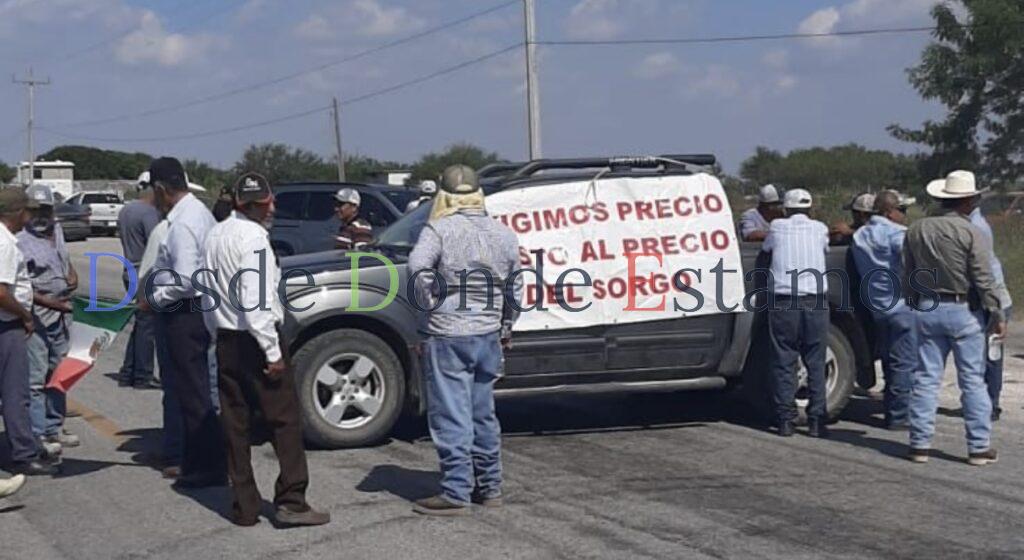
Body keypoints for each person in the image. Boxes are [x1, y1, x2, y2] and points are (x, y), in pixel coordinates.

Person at [202, 173, 330, 527]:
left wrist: (216, 333)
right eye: (265, 202)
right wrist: (272, 352)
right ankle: (291, 499)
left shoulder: (215, 234)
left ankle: (244, 505)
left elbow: (207, 292)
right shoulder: (255, 238)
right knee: (284, 421)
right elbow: (255, 300)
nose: (272, 206)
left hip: (228, 337)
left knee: (235, 424)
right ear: (251, 205)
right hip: (255, 338)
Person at [407, 165, 523, 516]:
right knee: (483, 412)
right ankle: (490, 487)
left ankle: (456, 491)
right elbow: (515, 286)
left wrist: (428, 306)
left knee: (451, 413)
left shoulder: (438, 229)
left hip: (448, 333)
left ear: (443, 194)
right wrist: (506, 326)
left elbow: (416, 267)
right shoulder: (503, 233)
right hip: (487, 334)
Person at [902, 170, 1006, 466]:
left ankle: (919, 443)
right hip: (962, 309)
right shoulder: (972, 231)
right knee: (972, 380)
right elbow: (984, 278)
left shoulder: (917, 229)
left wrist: (912, 302)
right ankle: (978, 446)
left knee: (925, 378)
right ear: (969, 200)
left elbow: (907, 273)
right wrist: (996, 311)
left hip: (927, 306)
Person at [143, 157, 226, 487]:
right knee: (194, 389)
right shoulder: (199, 213)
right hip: (196, 310)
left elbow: (186, 279)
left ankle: (207, 466)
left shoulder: (183, 223)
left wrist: (154, 300)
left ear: (162, 189)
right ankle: (201, 460)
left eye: (155, 191)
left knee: (191, 392)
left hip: (185, 313)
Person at [763, 188, 831, 438]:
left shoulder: (777, 227)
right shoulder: (820, 228)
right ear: (810, 209)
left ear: (785, 209)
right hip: (815, 300)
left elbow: (767, 249)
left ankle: (785, 420)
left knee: (784, 359)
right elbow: (824, 249)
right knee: (815, 360)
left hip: (784, 300)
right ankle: (816, 420)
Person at [18, 185, 80, 457]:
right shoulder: (18, 240)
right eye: (36, 210)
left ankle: (55, 426)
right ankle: (38, 432)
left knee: (60, 373)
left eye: (46, 209)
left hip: (61, 316)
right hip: (36, 317)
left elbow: (63, 261)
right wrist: (50, 302)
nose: (42, 215)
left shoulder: (56, 231)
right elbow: (21, 286)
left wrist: (72, 274)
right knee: (35, 379)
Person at [0, 188, 58, 476]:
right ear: (18, 213)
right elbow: (1, 292)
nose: (31, 217)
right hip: (6, 324)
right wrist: (25, 316)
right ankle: (22, 454)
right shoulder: (5, 244)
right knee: (16, 392)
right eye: (29, 211)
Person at [851, 190, 917, 430]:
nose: (903, 215)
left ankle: (893, 406)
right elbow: (908, 264)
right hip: (901, 304)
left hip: (877, 306)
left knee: (890, 360)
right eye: (902, 210)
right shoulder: (898, 234)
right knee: (904, 362)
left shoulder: (860, 235)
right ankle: (899, 415)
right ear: (890, 211)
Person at [117, 172, 162, 390]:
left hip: (129, 270)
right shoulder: (149, 213)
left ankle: (128, 372)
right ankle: (143, 375)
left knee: (140, 324)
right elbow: (158, 244)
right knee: (147, 327)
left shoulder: (127, 209)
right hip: (144, 273)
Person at [969, 205, 1013, 421]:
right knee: (987, 353)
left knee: (991, 354)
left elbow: (985, 271)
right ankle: (987, 402)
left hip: (992, 298)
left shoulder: (975, 226)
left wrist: (996, 308)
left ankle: (991, 403)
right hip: (989, 297)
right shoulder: (973, 224)